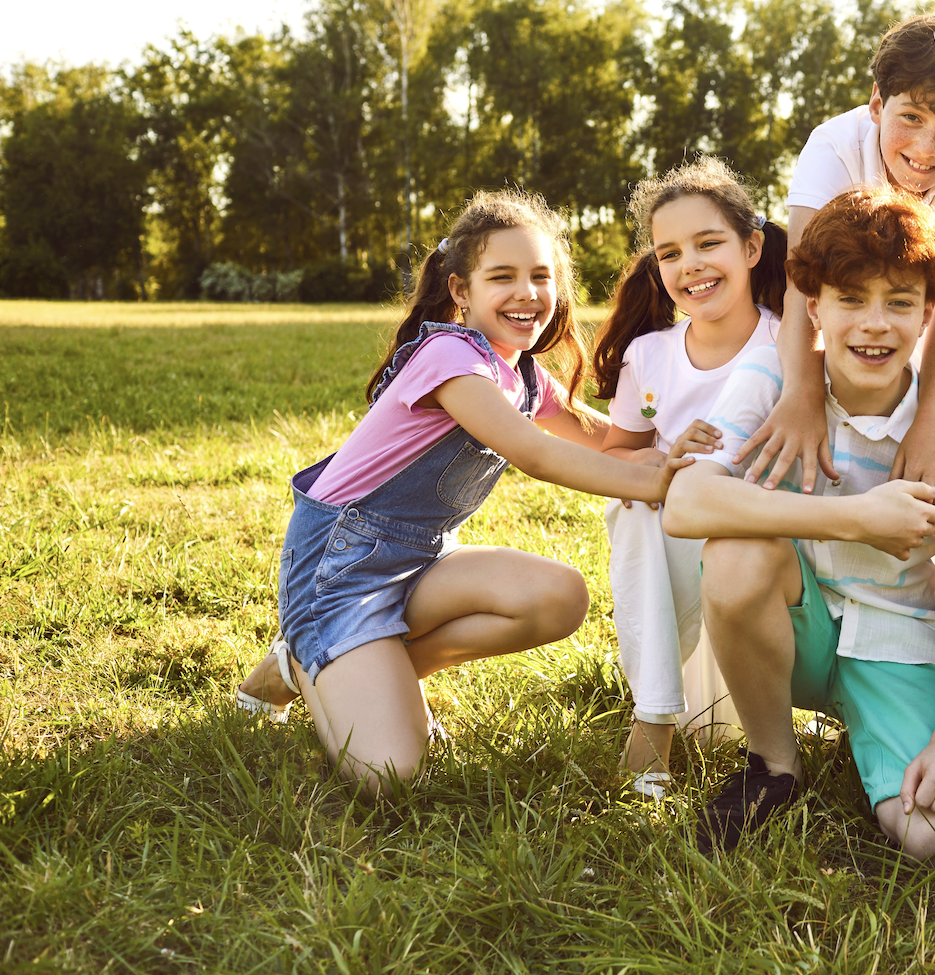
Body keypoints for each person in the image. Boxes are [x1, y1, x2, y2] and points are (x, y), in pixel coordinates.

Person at [233, 191, 693, 796]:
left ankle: (344, 673)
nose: (527, 293)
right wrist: (650, 479)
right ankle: (302, 660)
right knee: (389, 776)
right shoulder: (448, 357)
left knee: (558, 597)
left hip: (419, 563)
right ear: (460, 292)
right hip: (339, 572)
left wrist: (689, 442)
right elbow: (537, 454)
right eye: (502, 277)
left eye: (540, 276)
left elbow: (611, 440)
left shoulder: (526, 375)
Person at [662, 187, 935, 864]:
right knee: (736, 551)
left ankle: (879, 735)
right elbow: (687, 505)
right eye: (851, 300)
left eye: (899, 302)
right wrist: (856, 517)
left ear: (928, 314)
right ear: (814, 306)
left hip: (899, 638)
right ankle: (774, 764)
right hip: (795, 628)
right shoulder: (772, 377)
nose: (874, 324)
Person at [736, 14, 935, 510]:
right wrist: (801, 393)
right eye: (911, 117)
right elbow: (802, 281)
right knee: (788, 393)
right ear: (876, 103)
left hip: (903, 323)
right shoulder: (832, 147)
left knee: (927, 430)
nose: (926, 150)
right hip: (843, 319)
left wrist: (933, 422)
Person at [591, 156, 786, 799]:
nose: (690, 265)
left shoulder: (790, 348)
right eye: (669, 253)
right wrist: (665, 464)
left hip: (767, 540)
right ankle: (655, 719)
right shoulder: (649, 356)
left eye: (709, 243)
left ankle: (657, 719)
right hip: (673, 541)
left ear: (752, 246)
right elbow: (619, 456)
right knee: (641, 508)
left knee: (671, 510)